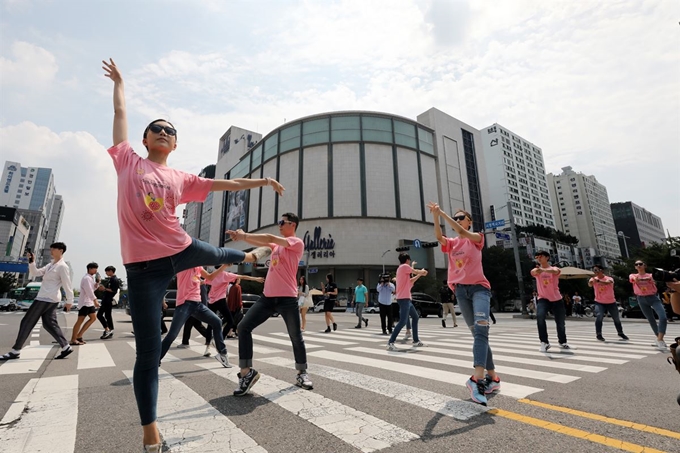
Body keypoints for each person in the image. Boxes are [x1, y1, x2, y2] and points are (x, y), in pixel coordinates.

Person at [102, 58, 277, 452]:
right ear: (145, 140)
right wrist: (120, 83)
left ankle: (249, 257)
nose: (163, 133)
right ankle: (151, 435)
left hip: (181, 248)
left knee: (218, 252)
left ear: (176, 144)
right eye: (156, 129)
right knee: (148, 354)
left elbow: (226, 182)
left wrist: (262, 179)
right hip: (143, 271)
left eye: (170, 131)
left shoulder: (182, 178)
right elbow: (119, 113)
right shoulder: (128, 160)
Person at [227, 212, 313, 396]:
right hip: (267, 298)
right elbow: (262, 244)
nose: (279, 225)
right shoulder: (275, 246)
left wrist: (243, 235)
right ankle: (246, 373)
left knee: (295, 336)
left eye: (283, 222)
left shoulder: (296, 243)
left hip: (287, 299)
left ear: (293, 225)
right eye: (279, 222)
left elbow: (269, 237)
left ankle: (302, 372)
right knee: (243, 327)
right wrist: (243, 237)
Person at [428, 203, 500, 406]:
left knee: (481, 331)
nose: (458, 220)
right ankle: (493, 377)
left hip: (479, 289)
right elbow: (439, 237)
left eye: (461, 217)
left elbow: (460, 231)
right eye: (455, 217)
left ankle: (476, 379)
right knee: (478, 334)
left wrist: (442, 213)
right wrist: (436, 216)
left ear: (469, 221)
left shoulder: (477, 238)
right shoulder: (452, 243)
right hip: (460, 291)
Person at [1, 244, 75, 361]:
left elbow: (67, 284)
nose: (51, 250)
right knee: (49, 323)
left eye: (53, 249)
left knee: (27, 321)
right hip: (48, 298)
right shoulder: (51, 265)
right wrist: (32, 261)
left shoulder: (62, 267)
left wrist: (69, 301)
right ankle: (66, 346)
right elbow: (35, 273)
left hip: (46, 298)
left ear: (61, 251)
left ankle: (15, 350)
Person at [160, 267, 233, 368]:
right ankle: (155, 360)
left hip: (197, 305)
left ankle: (222, 353)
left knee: (217, 322)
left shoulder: (198, 267)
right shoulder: (184, 265)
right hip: (184, 304)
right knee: (172, 334)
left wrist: (224, 266)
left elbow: (210, 277)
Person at [206, 265, 264, 352]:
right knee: (230, 321)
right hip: (220, 301)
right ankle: (220, 339)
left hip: (211, 301)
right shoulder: (226, 275)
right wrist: (256, 279)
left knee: (210, 324)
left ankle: (207, 347)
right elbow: (243, 276)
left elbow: (203, 282)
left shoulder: (212, 275)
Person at [531, 251, 570, 352]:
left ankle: (562, 341)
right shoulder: (536, 270)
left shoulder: (553, 269)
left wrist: (543, 270)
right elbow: (534, 272)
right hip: (543, 299)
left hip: (557, 299)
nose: (539, 258)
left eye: (541, 256)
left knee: (560, 322)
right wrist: (539, 271)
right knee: (540, 317)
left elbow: (556, 272)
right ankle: (544, 342)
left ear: (547, 257)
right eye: (537, 257)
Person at [387, 253, 427, 350]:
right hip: (404, 299)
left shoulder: (402, 269)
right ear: (407, 260)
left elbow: (411, 280)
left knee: (415, 317)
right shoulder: (404, 267)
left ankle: (416, 340)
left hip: (406, 299)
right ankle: (390, 342)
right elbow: (414, 271)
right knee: (403, 322)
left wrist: (420, 274)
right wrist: (421, 272)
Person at [630, 260, 667, 350]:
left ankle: (659, 339)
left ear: (645, 266)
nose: (638, 265)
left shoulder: (651, 275)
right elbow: (634, 280)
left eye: (640, 264)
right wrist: (639, 279)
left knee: (663, 317)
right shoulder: (633, 275)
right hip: (641, 298)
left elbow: (654, 279)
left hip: (653, 298)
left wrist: (649, 279)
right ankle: (659, 339)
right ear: (635, 267)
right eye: (636, 264)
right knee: (651, 319)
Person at [589, 266, 629, 342]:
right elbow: (590, 284)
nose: (596, 271)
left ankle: (620, 332)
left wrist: (598, 281)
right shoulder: (593, 279)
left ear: (602, 270)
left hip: (611, 302)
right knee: (599, 316)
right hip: (599, 302)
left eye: (597, 270)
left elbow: (608, 283)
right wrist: (592, 282)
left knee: (616, 318)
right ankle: (599, 334)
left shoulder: (609, 278)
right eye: (594, 270)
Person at [70, 262, 102, 345]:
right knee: (80, 320)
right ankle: (73, 339)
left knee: (93, 318)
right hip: (85, 302)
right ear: (90, 269)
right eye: (95, 269)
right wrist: (95, 300)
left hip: (89, 302)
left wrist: (97, 283)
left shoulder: (90, 278)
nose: (96, 271)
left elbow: (93, 288)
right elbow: (89, 291)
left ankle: (79, 336)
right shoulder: (86, 278)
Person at [180, 282, 212, 349]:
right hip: (193, 307)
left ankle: (185, 342)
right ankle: (209, 336)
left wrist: (204, 309)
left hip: (197, 307)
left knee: (188, 324)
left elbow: (204, 297)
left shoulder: (201, 284)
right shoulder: (195, 282)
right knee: (197, 325)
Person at [98, 265, 121, 339]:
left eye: (107, 271)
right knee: (107, 315)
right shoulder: (111, 279)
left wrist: (105, 289)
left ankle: (107, 329)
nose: (106, 273)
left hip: (108, 300)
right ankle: (110, 329)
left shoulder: (114, 280)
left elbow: (114, 290)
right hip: (106, 299)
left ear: (111, 271)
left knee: (100, 315)